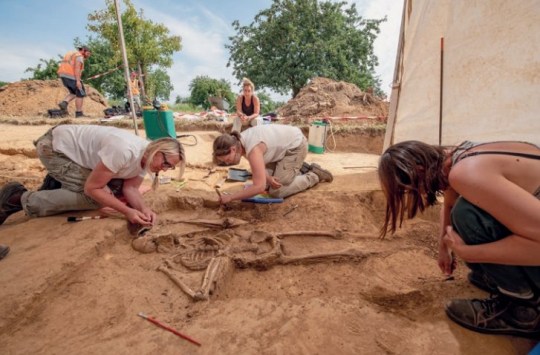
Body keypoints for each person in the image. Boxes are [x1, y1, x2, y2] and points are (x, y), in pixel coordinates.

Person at [378, 140, 540, 338]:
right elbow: (449, 204)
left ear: (419, 171)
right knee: (462, 211)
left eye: (410, 189)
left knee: (468, 215)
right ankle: (514, 280)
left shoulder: (464, 173)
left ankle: (524, 311)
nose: (419, 193)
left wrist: (468, 252)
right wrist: (443, 248)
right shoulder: (458, 155)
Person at [0, 125, 185, 229]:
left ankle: (57, 183)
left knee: (113, 191)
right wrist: (127, 211)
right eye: (167, 163)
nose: (166, 169)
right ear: (158, 151)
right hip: (54, 149)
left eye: (170, 167)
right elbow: (92, 189)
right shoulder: (125, 150)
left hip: (74, 155)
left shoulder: (148, 157)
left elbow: (130, 188)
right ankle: (19, 198)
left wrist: (144, 209)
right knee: (94, 199)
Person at [212, 124, 333, 204]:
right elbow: (261, 167)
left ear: (233, 149)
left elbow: (258, 187)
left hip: (296, 147)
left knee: (277, 191)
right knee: (267, 183)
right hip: (280, 151)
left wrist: (231, 197)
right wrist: (268, 178)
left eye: (226, 159)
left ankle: (314, 175)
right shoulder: (240, 142)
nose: (227, 163)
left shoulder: (252, 149)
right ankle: (298, 167)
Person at [57, 46, 92, 118]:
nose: (88, 56)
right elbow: (77, 68)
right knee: (80, 93)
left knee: (73, 92)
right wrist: (78, 81)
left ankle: (64, 103)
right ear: (83, 50)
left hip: (63, 75)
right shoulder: (79, 56)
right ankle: (79, 113)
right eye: (88, 53)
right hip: (71, 75)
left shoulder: (71, 53)